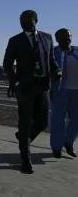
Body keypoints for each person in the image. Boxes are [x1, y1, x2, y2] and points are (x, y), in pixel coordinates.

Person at [3, 10, 62, 174]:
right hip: (25, 87)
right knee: (25, 121)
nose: (23, 22)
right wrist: (15, 81)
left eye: (26, 20)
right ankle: (25, 160)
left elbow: (51, 60)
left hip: (43, 86)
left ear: (35, 21)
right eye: (21, 20)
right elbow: (7, 63)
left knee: (42, 122)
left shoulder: (47, 38)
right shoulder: (15, 40)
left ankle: (23, 137)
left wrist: (57, 71)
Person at [50, 28, 78, 158]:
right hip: (60, 91)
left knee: (76, 120)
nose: (67, 39)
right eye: (64, 37)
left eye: (69, 36)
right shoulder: (53, 52)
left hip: (76, 92)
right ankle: (56, 147)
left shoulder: (77, 51)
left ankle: (68, 142)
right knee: (58, 120)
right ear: (57, 39)